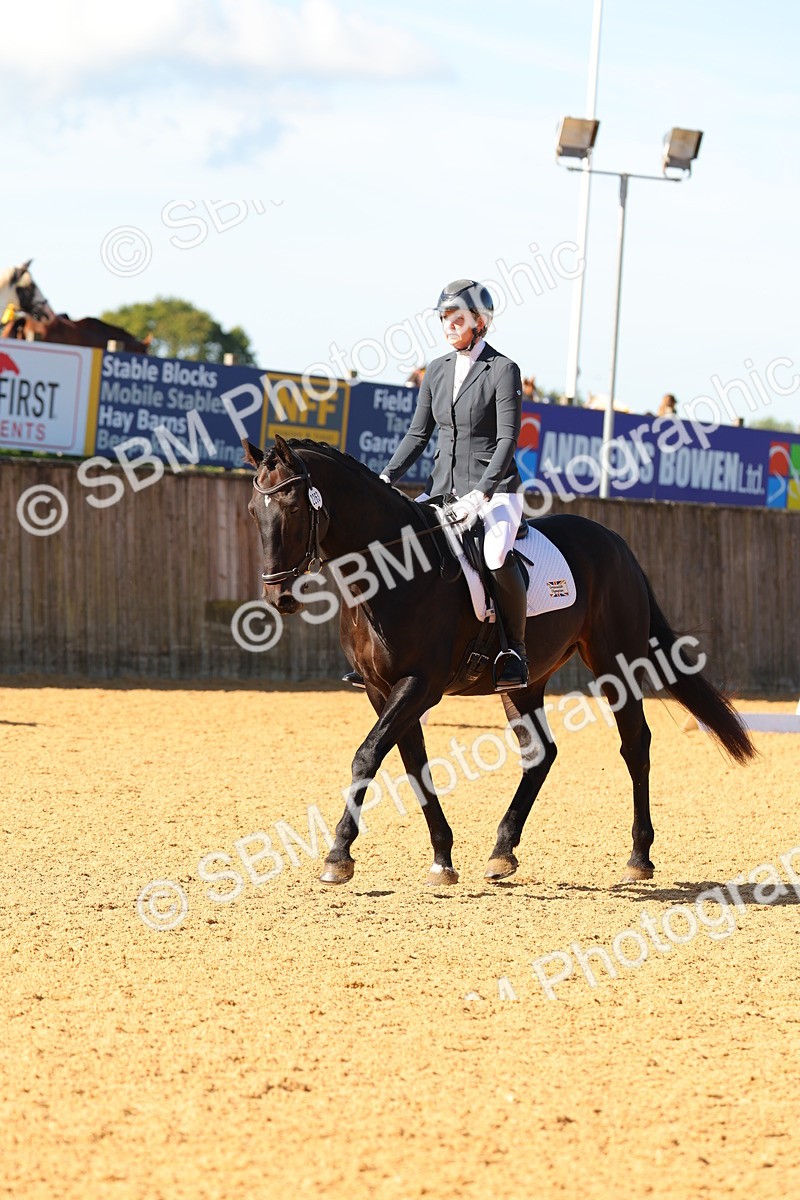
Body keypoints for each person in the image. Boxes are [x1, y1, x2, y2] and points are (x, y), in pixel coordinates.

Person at [343, 278, 528, 692]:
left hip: (495, 491)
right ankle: (380, 654)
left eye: (456, 317)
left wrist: (482, 493)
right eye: (444, 317)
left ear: (480, 322)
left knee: (496, 554)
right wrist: (386, 477)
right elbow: (417, 434)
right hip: (442, 489)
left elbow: (507, 439)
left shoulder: (502, 369)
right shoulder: (437, 370)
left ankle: (514, 649)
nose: (448, 324)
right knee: (398, 543)